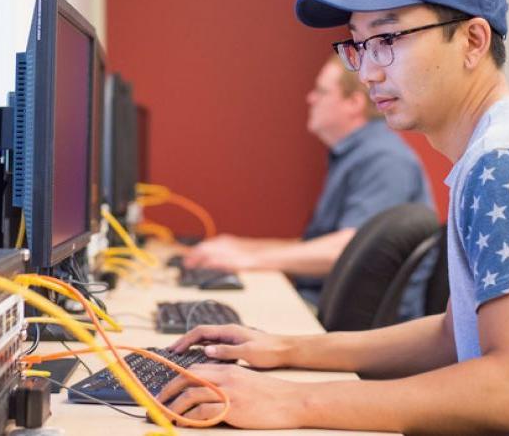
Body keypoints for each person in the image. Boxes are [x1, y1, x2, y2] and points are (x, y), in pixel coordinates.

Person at [157, 0, 509, 433]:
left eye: (389, 40)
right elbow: (453, 335)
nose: (368, 71)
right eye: (358, 44)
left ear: (473, 41)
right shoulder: (503, 140)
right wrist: (288, 348)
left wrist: (296, 403)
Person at [183, 56, 434, 308]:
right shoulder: (356, 153)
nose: (310, 98)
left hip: (359, 326)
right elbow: (320, 245)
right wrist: (245, 248)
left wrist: (249, 259)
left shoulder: (384, 159)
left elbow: (348, 250)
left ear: (353, 103)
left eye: (321, 91)